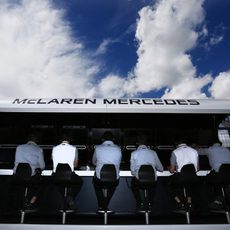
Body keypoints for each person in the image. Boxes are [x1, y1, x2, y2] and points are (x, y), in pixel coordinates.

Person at [130, 136, 163, 211]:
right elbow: (161, 169)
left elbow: (132, 171)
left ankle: (140, 203)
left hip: (139, 182)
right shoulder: (153, 152)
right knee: (153, 184)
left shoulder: (134, 153)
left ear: (137, 143)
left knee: (133, 184)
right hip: (152, 181)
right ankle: (150, 203)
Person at [92, 131, 122, 212]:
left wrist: (100, 163)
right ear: (113, 139)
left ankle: (101, 205)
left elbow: (93, 162)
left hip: (100, 179)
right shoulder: (118, 149)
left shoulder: (97, 148)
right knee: (113, 184)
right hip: (113, 178)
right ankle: (105, 205)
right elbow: (118, 163)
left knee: (96, 183)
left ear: (102, 139)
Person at [13, 133, 45, 208]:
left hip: (17, 176)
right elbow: (42, 166)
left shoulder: (19, 147)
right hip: (30, 178)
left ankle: (19, 203)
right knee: (42, 183)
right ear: (37, 140)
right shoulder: (38, 149)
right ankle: (31, 202)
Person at [51, 133, 83, 209]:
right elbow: (75, 165)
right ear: (70, 140)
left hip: (56, 176)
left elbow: (53, 161)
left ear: (61, 140)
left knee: (60, 184)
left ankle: (65, 203)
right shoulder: (74, 148)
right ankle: (70, 197)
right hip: (69, 177)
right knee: (80, 181)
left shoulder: (54, 148)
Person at [168, 139, 199, 210]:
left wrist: (169, 168)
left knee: (168, 183)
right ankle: (189, 202)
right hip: (194, 178)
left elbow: (172, 171)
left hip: (181, 178)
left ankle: (179, 203)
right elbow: (197, 169)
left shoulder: (175, 152)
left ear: (176, 145)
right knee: (189, 183)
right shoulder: (194, 151)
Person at [205, 141, 230, 209]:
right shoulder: (227, 149)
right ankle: (221, 199)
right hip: (228, 175)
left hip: (219, 176)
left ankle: (217, 200)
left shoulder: (210, 149)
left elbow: (198, 152)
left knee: (208, 179)